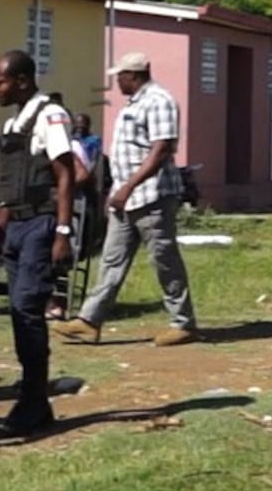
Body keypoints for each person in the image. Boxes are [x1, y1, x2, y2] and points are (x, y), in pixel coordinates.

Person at [57, 53, 199, 347]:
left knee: (164, 260)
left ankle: (183, 322)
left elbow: (161, 150)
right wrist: (117, 189)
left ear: (133, 75)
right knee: (112, 259)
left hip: (152, 195)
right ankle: (89, 320)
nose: (117, 82)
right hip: (126, 197)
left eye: (119, 76)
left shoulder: (159, 100)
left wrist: (129, 186)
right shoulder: (133, 105)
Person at [0, 50, 77, 437]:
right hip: (18, 226)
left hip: (42, 225)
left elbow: (65, 174)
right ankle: (33, 401)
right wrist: (1, 221)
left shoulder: (50, 117)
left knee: (27, 309)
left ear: (22, 80)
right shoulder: (15, 122)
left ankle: (34, 402)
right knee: (20, 313)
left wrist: (62, 231)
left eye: (1, 81)